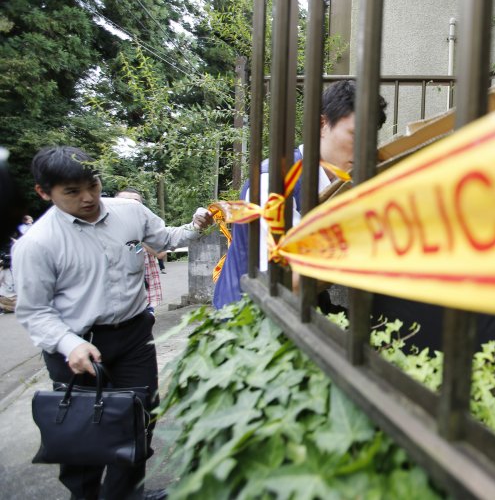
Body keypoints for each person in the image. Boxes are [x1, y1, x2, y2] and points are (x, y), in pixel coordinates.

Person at [12, 146, 213, 500]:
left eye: (92, 184)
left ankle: (125, 494)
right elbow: (34, 311)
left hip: (134, 335)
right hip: (78, 346)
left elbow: (164, 240)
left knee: (139, 420)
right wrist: (68, 343)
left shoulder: (130, 212)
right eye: (72, 192)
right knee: (84, 431)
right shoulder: (37, 244)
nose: (88, 198)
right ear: (44, 193)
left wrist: (197, 227)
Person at [213, 80, 388, 308]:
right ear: (321, 125)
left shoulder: (343, 182)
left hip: (300, 308)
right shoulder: (276, 181)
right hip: (248, 319)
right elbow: (284, 281)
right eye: (356, 136)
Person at [116, 188, 164, 313]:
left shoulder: (147, 228)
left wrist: (138, 237)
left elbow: (161, 254)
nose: (130, 206)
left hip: (144, 293)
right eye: (124, 202)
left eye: (135, 203)